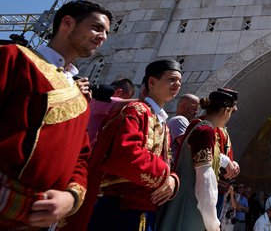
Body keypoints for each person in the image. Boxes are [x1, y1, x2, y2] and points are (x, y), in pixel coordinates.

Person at [0, 0, 112, 229]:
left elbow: (80, 156)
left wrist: (70, 197)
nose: (103, 37)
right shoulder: (14, 58)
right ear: (68, 23)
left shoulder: (79, 94)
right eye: (97, 28)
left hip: (39, 219)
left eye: (106, 32)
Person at [66, 59, 182, 230]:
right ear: (152, 81)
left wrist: (173, 179)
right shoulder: (136, 110)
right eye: (171, 79)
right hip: (121, 208)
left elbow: (166, 160)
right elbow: (125, 155)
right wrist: (165, 175)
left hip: (145, 208)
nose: (177, 84)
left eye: (179, 81)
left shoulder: (162, 122)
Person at [157, 88, 239, 231]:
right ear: (225, 111)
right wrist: (212, 222)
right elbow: (204, 179)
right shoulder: (205, 131)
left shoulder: (199, 125)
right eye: (231, 112)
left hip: (189, 199)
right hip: (192, 204)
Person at [87, 78, 136, 148]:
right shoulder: (100, 100)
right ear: (118, 92)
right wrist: (147, 100)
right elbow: (122, 103)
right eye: (124, 98)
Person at [167, 93, 201, 164]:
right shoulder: (179, 120)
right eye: (194, 109)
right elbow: (188, 145)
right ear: (184, 107)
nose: (196, 112)